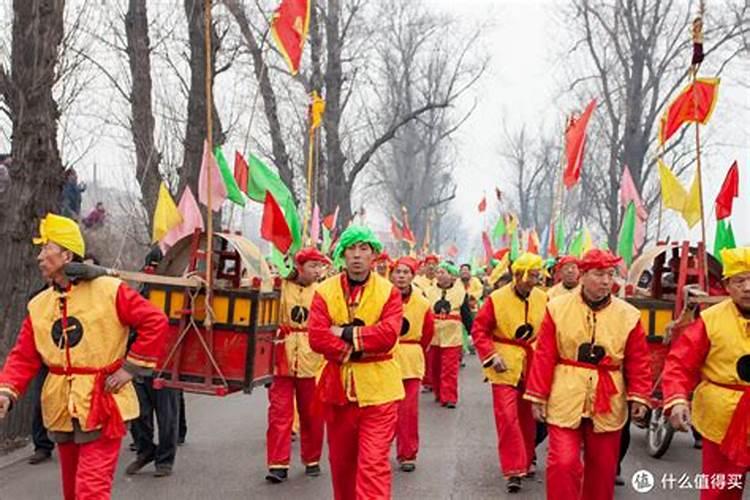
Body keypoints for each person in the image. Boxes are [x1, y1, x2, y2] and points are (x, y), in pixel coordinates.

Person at [0, 213, 168, 500]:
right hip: (62, 406)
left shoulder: (108, 290)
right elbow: (24, 356)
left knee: (90, 490)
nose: (39, 257)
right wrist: (6, 392)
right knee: (72, 490)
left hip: (103, 401)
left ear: (66, 254)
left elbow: (155, 321)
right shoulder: (40, 305)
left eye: (46, 249)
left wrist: (130, 368)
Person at [524, 249, 651, 500]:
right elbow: (544, 354)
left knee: (603, 468)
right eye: (599, 274)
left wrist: (639, 395)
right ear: (583, 275)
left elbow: (638, 360)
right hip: (565, 394)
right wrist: (537, 395)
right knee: (563, 462)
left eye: (610, 274)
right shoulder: (557, 308)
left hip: (608, 398)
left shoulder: (628, 315)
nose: (606, 281)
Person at [308, 226, 404, 500]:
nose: (357, 256)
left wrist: (344, 332)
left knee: (373, 464)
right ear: (342, 254)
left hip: (380, 392)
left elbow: (387, 335)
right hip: (337, 390)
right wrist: (357, 349)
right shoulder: (324, 291)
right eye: (351, 249)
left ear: (374, 255)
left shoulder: (389, 292)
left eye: (364, 249)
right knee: (342, 466)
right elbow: (316, 337)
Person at [663, 247, 750, 500]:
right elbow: (680, 364)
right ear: (726, 286)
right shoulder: (710, 320)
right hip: (720, 418)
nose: (747, 287)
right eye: (740, 280)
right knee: (720, 489)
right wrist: (678, 399)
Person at [471, 253, 548, 493]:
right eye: (527, 275)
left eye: (535, 276)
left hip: (532, 364)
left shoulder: (544, 299)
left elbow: (549, 334)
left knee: (528, 417)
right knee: (506, 416)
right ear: (516, 275)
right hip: (503, 365)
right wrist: (491, 355)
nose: (530, 280)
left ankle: (527, 458)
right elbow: (479, 330)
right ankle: (513, 469)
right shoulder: (496, 299)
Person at [265, 247, 330, 483]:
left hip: (312, 358)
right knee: (279, 412)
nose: (317, 270)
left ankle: (312, 458)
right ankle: (277, 463)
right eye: (312, 265)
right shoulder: (280, 286)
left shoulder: (324, 292)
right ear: (299, 267)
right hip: (281, 355)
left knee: (312, 414)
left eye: (319, 266)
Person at [390, 256, 434, 472]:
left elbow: (427, 334)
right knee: (384, 410)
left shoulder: (423, 303)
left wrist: (414, 350)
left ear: (412, 276)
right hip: (385, 359)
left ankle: (407, 454)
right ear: (391, 275)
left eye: (406, 273)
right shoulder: (380, 298)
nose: (401, 277)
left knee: (408, 412)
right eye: (398, 272)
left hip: (411, 360)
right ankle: (377, 450)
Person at [426, 261, 473, 408]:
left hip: (452, 337)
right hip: (433, 337)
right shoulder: (428, 292)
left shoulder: (461, 293)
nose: (439, 275)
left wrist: (472, 333)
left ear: (452, 276)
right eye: (438, 272)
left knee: (449, 369)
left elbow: (466, 315)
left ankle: (449, 397)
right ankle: (439, 393)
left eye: (443, 272)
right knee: (435, 368)